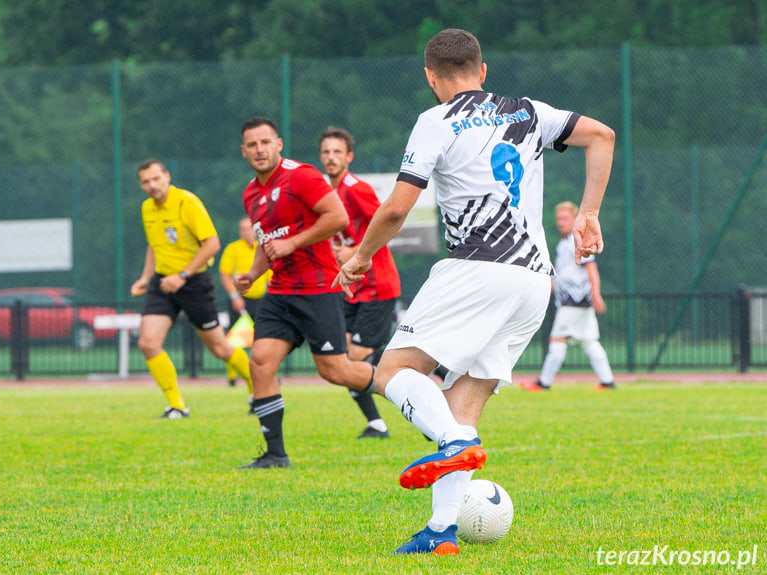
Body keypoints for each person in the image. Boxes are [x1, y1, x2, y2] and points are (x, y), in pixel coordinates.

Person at [334, 28, 614, 555]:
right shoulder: (528, 111)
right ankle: (441, 533)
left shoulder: (435, 121)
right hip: (532, 284)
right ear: (482, 70)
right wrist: (589, 212)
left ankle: (455, 447)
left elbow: (395, 208)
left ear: (431, 78)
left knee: (394, 371)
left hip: (477, 269)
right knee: (461, 409)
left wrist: (361, 256)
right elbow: (602, 135)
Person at [234, 116, 379, 469]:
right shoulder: (251, 193)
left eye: (265, 142)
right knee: (260, 363)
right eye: (252, 145)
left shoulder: (301, 175)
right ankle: (275, 455)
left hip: (318, 288)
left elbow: (338, 217)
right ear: (244, 152)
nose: (259, 150)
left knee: (336, 371)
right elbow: (268, 241)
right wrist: (253, 273)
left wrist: (294, 243)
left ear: (278, 144)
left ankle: (409, 390)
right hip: (281, 291)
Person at [130, 159, 253, 419]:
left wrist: (183, 276)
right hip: (163, 283)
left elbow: (212, 244)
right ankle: (177, 405)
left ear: (167, 176)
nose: (151, 185)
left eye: (155, 179)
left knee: (220, 349)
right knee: (148, 343)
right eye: (145, 182)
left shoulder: (187, 202)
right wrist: (145, 277)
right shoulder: (147, 209)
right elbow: (155, 245)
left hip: (195, 283)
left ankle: (258, 389)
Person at [319, 127, 401, 439]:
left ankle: (419, 386)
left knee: (350, 359)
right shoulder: (328, 193)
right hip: (350, 288)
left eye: (337, 152)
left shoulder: (356, 188)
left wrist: (355, 251)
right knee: (341, 359)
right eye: (326, 152)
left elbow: (391, 225)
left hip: (377, 287)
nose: (331, 158)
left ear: (349, 157)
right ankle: (377, 423)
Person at [520, 201, 615, 392]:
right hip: (577, 301)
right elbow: (564, 275)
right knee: (589, 341)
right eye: (558, 219)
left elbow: (591, 268)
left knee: (557, 339)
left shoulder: (576, 240)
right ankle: (607, 382)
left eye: (565, 218)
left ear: (575, 219)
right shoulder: (564, 244)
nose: (560, 222)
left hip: (573, 300)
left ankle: (544, 383)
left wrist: (596, 294)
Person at [219, 217, 272, 411]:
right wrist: (234, 295)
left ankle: (267, 373)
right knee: (234, 341)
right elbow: (224, 273)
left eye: (249, 228)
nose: (246, 232)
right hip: (239, 302)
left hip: (260, 301)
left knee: (263, 340)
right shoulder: (233, 248)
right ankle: (233, 377)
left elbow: (270, 275)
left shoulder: (263, 247)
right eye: (242, 229)